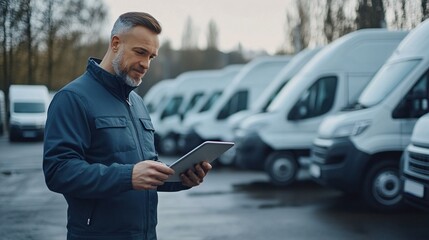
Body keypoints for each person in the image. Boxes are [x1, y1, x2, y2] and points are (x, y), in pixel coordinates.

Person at [43, 12, 212, 240]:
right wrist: (128, 176)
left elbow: (146, 170)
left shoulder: (138, 103)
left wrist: (181, 179)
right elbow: (58, 171)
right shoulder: (72, 98)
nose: (145, 64)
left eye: (152, 57)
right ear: (115, 43)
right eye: (140, 52)